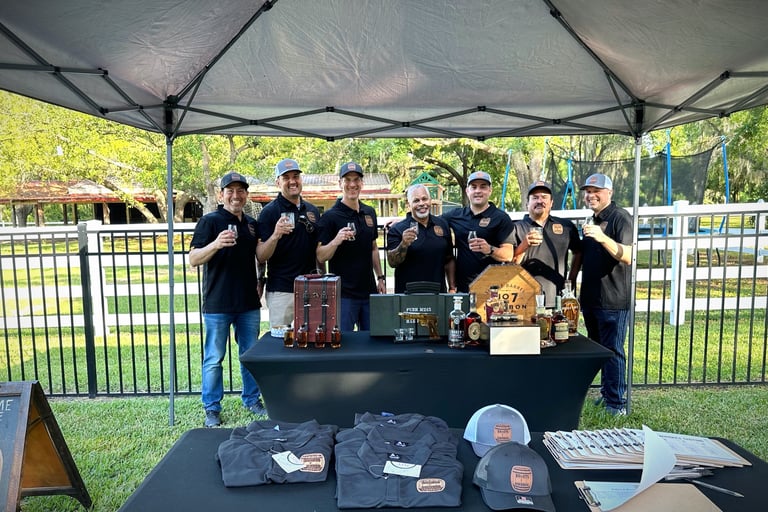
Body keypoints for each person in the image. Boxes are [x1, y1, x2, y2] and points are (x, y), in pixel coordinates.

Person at [189, 171, 265, 428]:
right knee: (214, 358)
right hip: (218, 303)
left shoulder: (251, 224)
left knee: (250, 356)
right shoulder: (210, 222)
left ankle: (252, 400)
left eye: (240, 190)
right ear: (221, 195)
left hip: (248, 303)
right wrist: (215, 244)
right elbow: (193, 259)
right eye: (230, 191)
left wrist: (261, 281)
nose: (236, 195)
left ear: (246, 195)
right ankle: (211, 408)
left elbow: (260, 257)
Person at [579, 173, 633, 416]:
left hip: (613, 298)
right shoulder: (592, 219)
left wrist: (602, 238)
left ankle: (616, 404)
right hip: (592, 298)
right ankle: (606, 393)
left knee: (613, 351)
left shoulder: (620, 217)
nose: (591, 195)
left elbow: (628, 255)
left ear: (609, 192)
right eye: (588, 191)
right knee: (600, 350)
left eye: (596, 191)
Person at [316, 161, 386, 331]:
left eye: (356, 180)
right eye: (347, 180)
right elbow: (320, 256)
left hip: (369, 293)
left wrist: (380, 278)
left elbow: (373, 248)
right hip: (343, 295)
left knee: (372, 340)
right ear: (340, 183)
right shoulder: (330, 217)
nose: (352, 184)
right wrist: (336, 240)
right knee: (343, 342)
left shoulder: (369, 212)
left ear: (362, 183)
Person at [256, 158, 321, 330]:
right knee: (281, 342)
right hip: (281, 291)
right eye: (286, 177)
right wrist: (276, 235)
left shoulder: (312, 211)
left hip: (311, 288)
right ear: (278, 182)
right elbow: (261, 256)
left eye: (296, 176)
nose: (292, 181)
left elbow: (318, 251)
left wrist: (322, 279)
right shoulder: (269, 212)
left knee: (312, 339)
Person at [441, 171, 515, 292]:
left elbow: (508, 255)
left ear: (490, 190)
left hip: (492, 289)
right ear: (467, 191)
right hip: (463, 288)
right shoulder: (456, 215)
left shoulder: (501, 218)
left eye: (483, 187)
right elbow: (432, 222)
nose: (478, 191)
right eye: (474, 187)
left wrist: (489, 249)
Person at [512, 180, 582, 307]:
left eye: (544, 197)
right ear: (527, 203)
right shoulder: (515, 228)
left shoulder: (566, 227)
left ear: (551, 203)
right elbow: (509, 265)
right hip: (523, 301)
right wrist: (524, 245)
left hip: (557, 299)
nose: (540, 201)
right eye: (535, 198)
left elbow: (578, 252)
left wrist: (571, 280)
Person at [386, 184, 456, 293]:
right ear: (408, 204)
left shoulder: (442, 224)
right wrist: (403, 244)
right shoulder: (397, 229)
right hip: (408, 294)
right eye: (416, 200)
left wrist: (452, 287)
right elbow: (392, 263)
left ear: (430, 200)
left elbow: (449, 259)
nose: (421, 203)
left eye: (424, 199)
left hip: (437, 293)